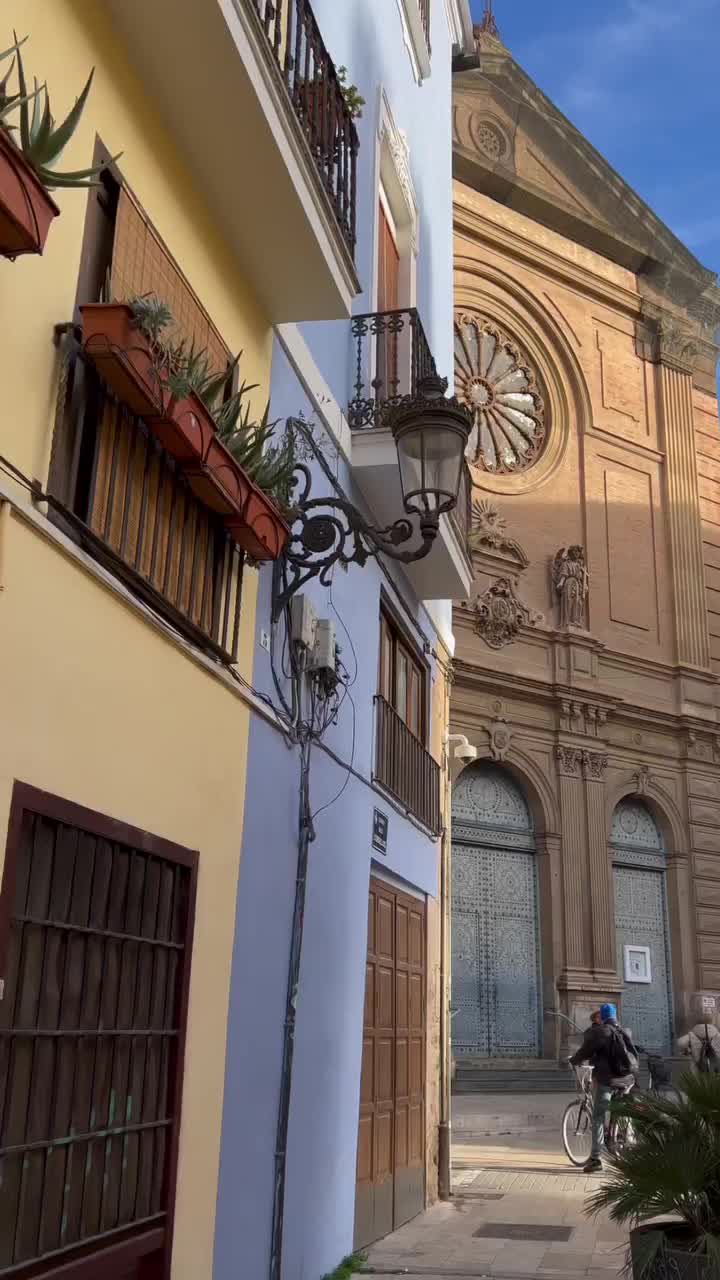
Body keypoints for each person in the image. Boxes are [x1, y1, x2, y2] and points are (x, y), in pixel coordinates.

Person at [569, 1002, 638, 1173]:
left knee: (598, 1116)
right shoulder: (625, 1031)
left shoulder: (600, 1032)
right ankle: (623, 1136)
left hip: (608, 1080)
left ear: (602, 1017)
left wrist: (573, 1061)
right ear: (614, 1015)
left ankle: (595, 1159)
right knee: (620, 1109)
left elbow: (584, 1052)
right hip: (627, 1079)